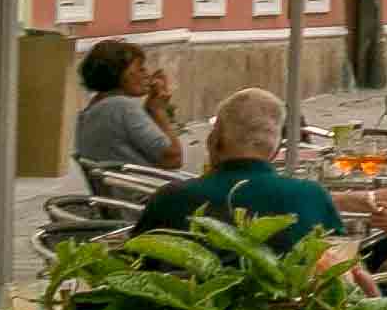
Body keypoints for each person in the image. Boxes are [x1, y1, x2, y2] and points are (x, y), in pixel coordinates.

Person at [130, 88, 343, 249]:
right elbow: (342, 268)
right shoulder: (312, 196)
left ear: (213, 140)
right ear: (276, 149)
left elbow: (135, 262)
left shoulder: (170, 198)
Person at [72, 40, 179, 171]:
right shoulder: (122, 106)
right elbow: (173, 159)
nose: (146, 73)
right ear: (117, 73)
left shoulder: (90, 111)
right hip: (142, 190)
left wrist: (151, 109)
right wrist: (159, 111)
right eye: (139, 68)